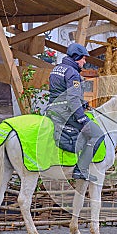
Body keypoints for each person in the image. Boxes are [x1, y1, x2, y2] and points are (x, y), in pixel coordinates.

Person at [47, 43, 104, 182]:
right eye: (83, 59)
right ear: (76, 57)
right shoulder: (72, 73)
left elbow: (61, 92)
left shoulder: (57, 69)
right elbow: (72, 99)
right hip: (66, 113)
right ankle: (81, 170)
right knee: (97, 134)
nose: (84, 62)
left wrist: (83, 103)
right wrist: (81, 118)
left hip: (52, 109)